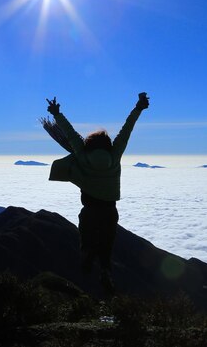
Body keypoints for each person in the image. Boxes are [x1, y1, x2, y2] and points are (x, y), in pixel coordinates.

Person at [45, 92, 150, 295]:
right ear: (108, 145)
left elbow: (70, 133)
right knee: (107, 243)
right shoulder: (115, 154)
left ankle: (87, 255)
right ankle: (105, 269)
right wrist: (138, 108)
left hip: (90, 209)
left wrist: (57, 113)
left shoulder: (82, 155)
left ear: (90, 144)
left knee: (86, 234)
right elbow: (127, 129)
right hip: (110, 210)